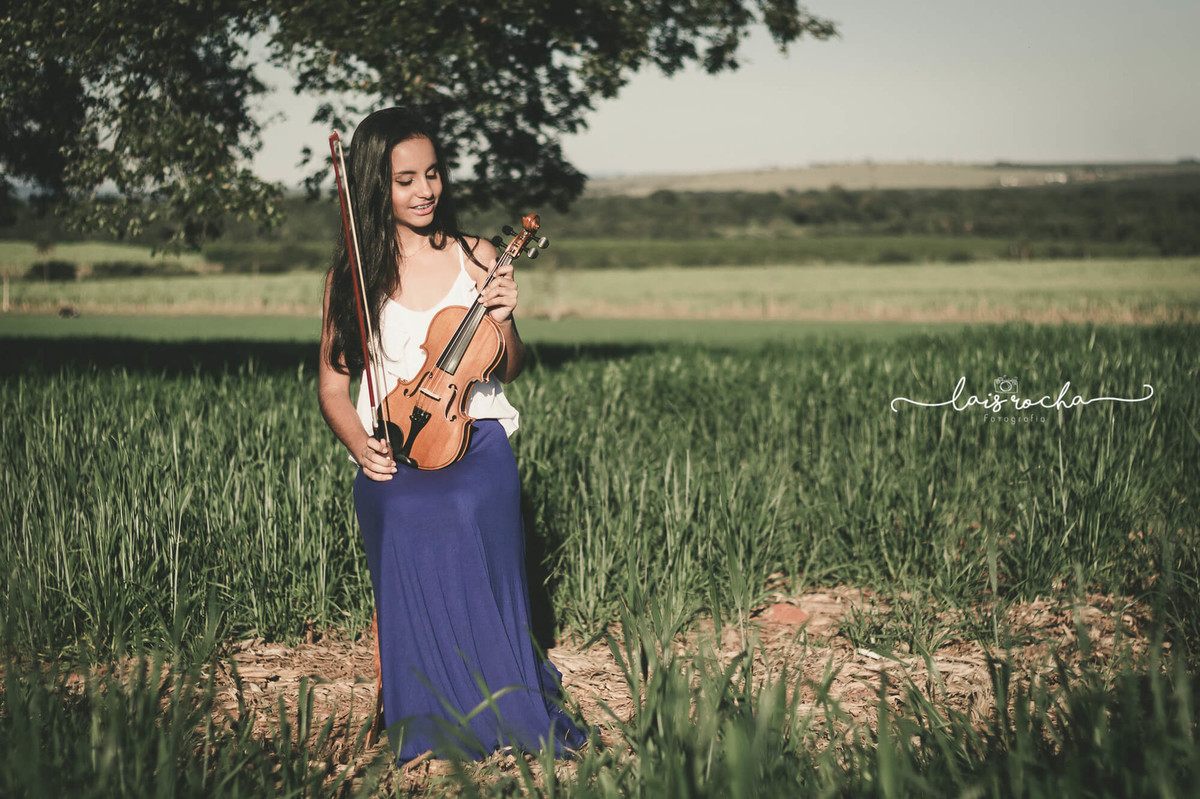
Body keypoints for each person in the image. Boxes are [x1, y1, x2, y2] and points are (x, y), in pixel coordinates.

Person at [317, 107, 589, 762]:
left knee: (463, 504)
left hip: (478, 436)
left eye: (432, 173)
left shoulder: (479, 256)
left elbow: (510, 367)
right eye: (405, 178)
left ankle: (500, 691)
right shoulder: (351, 277)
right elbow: (332, 389)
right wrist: (361, 444)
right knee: (405, 504)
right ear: (375, 186)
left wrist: (505, 318)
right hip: (394, 444)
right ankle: (425, 708)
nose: (424, 189)